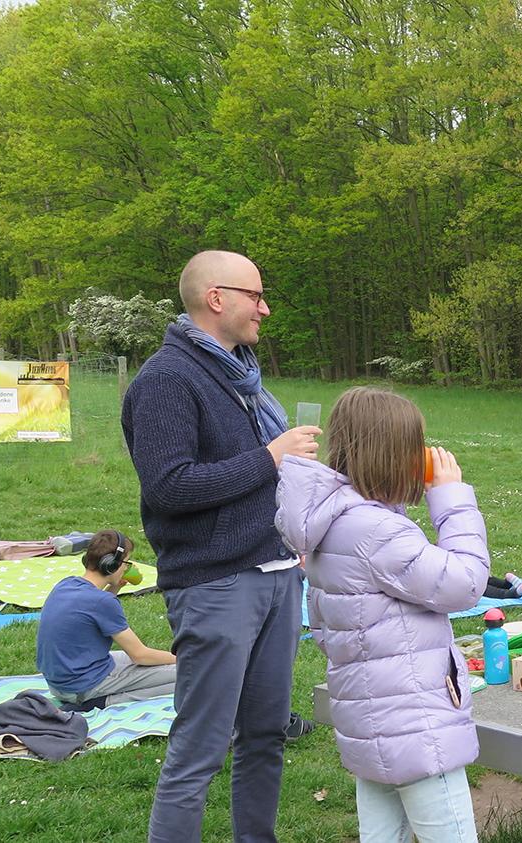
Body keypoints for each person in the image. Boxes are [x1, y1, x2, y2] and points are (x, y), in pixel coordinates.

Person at [122, 250, 321, 842]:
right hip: (215, 584)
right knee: (200, 750)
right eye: (255, 295)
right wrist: (270, 456)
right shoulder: (165, 380)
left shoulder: (242, 379)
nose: (265, 307)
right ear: (217, 298)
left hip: (279, 573)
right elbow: (170, 486)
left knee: (265, 736)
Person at [276, 386, 490, 843]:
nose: (423, 456)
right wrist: (451, 498)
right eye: (415, 445)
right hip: (414, 725)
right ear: (391, 455)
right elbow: (466, 582)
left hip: (372, 721)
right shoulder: (376, 530)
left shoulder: (336, 519)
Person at [36, 530, 177, 709]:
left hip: (60, 684)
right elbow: (140, 655)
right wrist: (183, 659)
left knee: (150, 663)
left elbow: (93, 612)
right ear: (110, 565)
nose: (127, 568)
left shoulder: (67, 584)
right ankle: (103, 702)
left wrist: (114, 588)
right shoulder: (103, 602)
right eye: (126, 562)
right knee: (190, 674)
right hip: (83, 687)